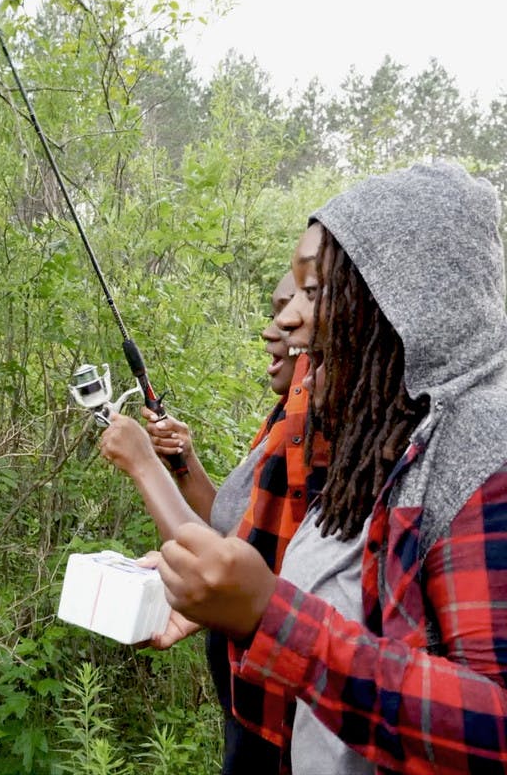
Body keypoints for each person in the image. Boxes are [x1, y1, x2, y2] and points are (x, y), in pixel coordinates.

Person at [153, 161, 507, 773]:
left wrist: (272, 618)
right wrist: (219, 604)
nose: (285, 319)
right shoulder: (375, 441)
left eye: (314, 291)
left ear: (410, 296)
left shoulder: (482, 449)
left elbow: (493, 727)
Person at [100, 272, 326, 773]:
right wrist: (182, 462)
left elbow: (239, 568)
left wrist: (143, 463)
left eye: (294, 307)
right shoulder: (279, 420)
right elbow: (235, 536)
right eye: (274, 311)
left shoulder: (308, 428)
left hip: (277, 708)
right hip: (245, 693)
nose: (275, 328)